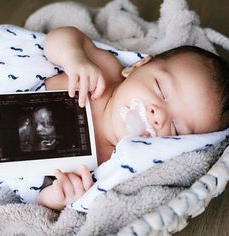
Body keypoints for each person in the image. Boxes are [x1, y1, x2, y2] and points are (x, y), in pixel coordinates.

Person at [32, 26, 229, 211]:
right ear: (136, 67)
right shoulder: (105, 70)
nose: (159, 115)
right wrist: (74, 59)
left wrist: (57, 198)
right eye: (161, 89)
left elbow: (35, 193)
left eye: (176, 128)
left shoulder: (107, 165)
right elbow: (59, 37)